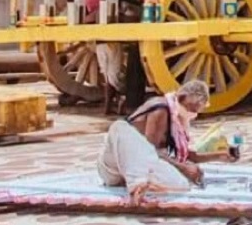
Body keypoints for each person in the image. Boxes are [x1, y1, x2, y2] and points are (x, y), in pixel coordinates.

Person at [97, 80, 236, 204]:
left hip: (144, 166)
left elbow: (184, 154)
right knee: (119, 127)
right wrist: (183, 167)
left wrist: (220, 155)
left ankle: (144, 185)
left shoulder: (179, 118)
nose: (193, 114)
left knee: (182, 185)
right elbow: (150, 151)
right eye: (192, 109)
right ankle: (137, 187)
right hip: (115, 166)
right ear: (181, 98)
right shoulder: (161, 109)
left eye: (196, 111)